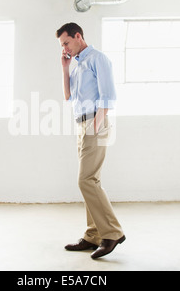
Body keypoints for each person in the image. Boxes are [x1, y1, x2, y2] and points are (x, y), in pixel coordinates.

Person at [56, 23, 125, 259]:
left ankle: (112, 232)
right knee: (91, 180)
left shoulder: (98, 58)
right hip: (81, 124)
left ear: (78, 36)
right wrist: (65, 68)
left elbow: (108, 96)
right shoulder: (77, 65)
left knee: (85, 180)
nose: (64, 48)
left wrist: (95, 126)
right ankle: (93, 234)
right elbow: (68, 96)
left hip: (96, 122)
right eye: (62, 45)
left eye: (66, 43)